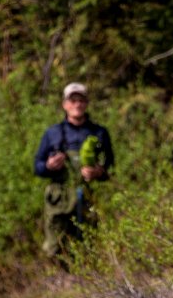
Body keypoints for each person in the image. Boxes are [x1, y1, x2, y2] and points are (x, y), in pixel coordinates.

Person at [34, 82, 114, 258]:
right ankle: (59, 283)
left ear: (86, 103)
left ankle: (86, 283)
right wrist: (49, 166)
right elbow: (37, 167)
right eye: (73, 100)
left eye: (81, 100)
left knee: (88, 247)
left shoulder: (99, 133)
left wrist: (98, 172)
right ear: (65, 104)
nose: (77, 104)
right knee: (55, 249)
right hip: (59, 201)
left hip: (87, 199)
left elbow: (111, 168)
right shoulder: (52, 133)